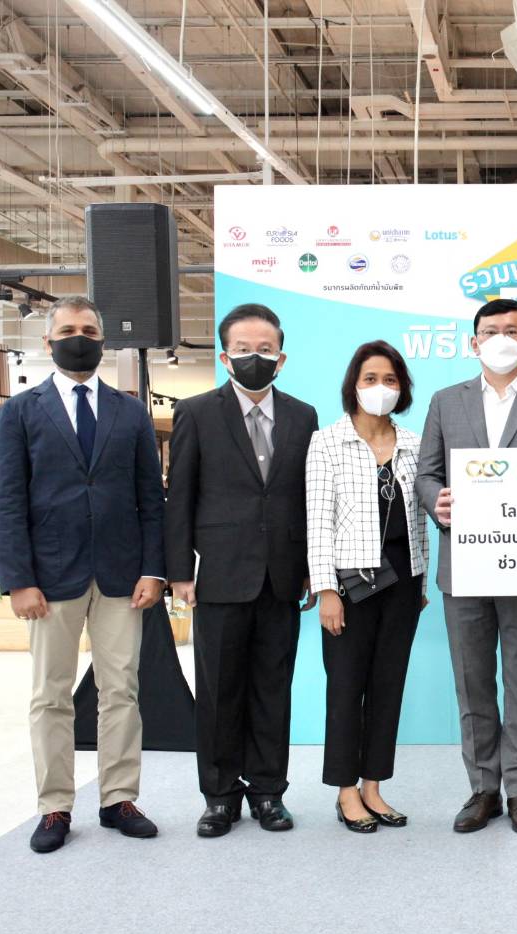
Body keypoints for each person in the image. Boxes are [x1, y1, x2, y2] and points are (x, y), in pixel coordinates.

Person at [0, 295, 165, 854]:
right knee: (50, 694)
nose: (79, 338)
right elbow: (7, 501)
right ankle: (54, 806)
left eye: (89, 330)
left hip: (121, 576)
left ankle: (119, 798)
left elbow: (150, 498)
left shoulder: (130, 412)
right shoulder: (20, 412)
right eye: (67, 330)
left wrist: (154, 568)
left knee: (122, 690)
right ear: (47, 341)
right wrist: (19, 579)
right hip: (49, 578)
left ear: (103, 340)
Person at [417, 298, 517, 836]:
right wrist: (437, 501)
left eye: (512, 331)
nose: (501, 339)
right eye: (490, 331)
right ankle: (483, 788)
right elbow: (426, 474)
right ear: (473, 342)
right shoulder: (445, 401)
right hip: (463, 565)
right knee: (472, 682)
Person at [165, 303, 319, 838]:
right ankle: (220, 796)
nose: (256, 357)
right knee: (219, 692)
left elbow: (307, 499)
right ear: (225, 356)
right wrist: (179, 571)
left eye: (266, 349)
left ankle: (269, 792)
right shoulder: (196, 413)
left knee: (273, 689)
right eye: (244, 349)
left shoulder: (303, 416)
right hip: (220, 575)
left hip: (283, 575)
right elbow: (180, 497)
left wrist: (311, 568)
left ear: (282, 358)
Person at [307, 341, 428, 833]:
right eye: (371, 379)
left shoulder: (415, 444)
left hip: (404, 582)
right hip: (349, 586)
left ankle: (373, 786)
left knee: (388, 686)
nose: (381, 388)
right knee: (345, 686)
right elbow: (318, 522)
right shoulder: (327, 442)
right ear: (353, 386)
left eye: (390, 380)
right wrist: (325, 590)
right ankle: (345, 791)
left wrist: (421, 579)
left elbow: (420, 518)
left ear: (403, 389)